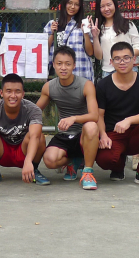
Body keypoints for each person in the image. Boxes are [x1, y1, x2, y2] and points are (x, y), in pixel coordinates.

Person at [95, 42, 139, 188]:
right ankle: (118, 165)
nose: (122, 62)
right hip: (113, 133)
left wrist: (129, 120)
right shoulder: (103, 85)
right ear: (111, 62)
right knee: (105, 160)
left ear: (134, 59)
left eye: (126, 58)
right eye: (117, 59)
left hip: (136, 132)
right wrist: (103, 135)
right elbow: (99, 115)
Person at [91, 0, 139, 170]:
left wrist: (125, 59)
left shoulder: (127, 24)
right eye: (102, 6)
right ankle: (116, 148)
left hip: (130, 72)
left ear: (115, 5)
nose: (106, 8)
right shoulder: (98, 28)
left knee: (133, 111)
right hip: (108, 73)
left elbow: (138, 46)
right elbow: (99, 56)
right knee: (111, 115)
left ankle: (136, 154)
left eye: (109, 4)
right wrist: (95, 36)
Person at [36, 46, 99, 189]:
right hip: (65, 134)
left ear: (74, 65)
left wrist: (73, 118)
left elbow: (94, 116)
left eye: (67, 64)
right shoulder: (49, 87)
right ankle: (73, 161)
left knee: (91, 126)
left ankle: (88, 172)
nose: (63, 68)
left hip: (83, 135)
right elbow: (35, 110)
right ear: (54, 65)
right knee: (49, 160)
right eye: (59, 64)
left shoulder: (86, 85)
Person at [0, 73, 49, 185]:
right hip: (2, 151)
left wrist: (28, 161)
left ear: (23, 94)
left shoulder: (33, 109)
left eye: (17, 91)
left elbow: (35, 136)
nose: (13, 96)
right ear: (1, 93)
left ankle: (33, 170)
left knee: (40, 137)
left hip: (24, 151)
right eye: (8, 91)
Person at [44, 0, 94, 81]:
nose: (72, 7)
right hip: (57, 74)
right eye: (70, 3)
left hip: (79, 73)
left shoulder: (83, 24)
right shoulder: (52, 23)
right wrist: (52, 33)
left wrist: (85, 33)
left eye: (76, 4)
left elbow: (90, 52)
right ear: (64, 4)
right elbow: (43, 49)